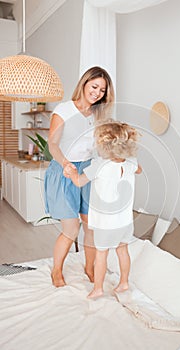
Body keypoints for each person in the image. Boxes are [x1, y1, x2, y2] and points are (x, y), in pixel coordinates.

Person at [44, 66, 115, 287]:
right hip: (64, 169)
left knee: (90, 225)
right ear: (84, 84)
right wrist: (65, 163)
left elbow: (99, 147)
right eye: (94, 86)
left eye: (102, 90)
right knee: (71, 228)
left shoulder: (98, 116)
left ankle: (89, 267)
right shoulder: (64, 110)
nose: (97, 93)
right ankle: (56, 271)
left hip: (87, 171)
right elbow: (52, 144)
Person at [63, 120, 142, 298]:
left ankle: (98, 288)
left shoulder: (99, 165)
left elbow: (78, 182)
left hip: (105, 222)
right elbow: (139, 170)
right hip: (124, 220)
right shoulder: (131, 162)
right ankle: (124, 282)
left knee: (101, 254)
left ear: (105, 145)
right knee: (123, 251)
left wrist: (72, 173)